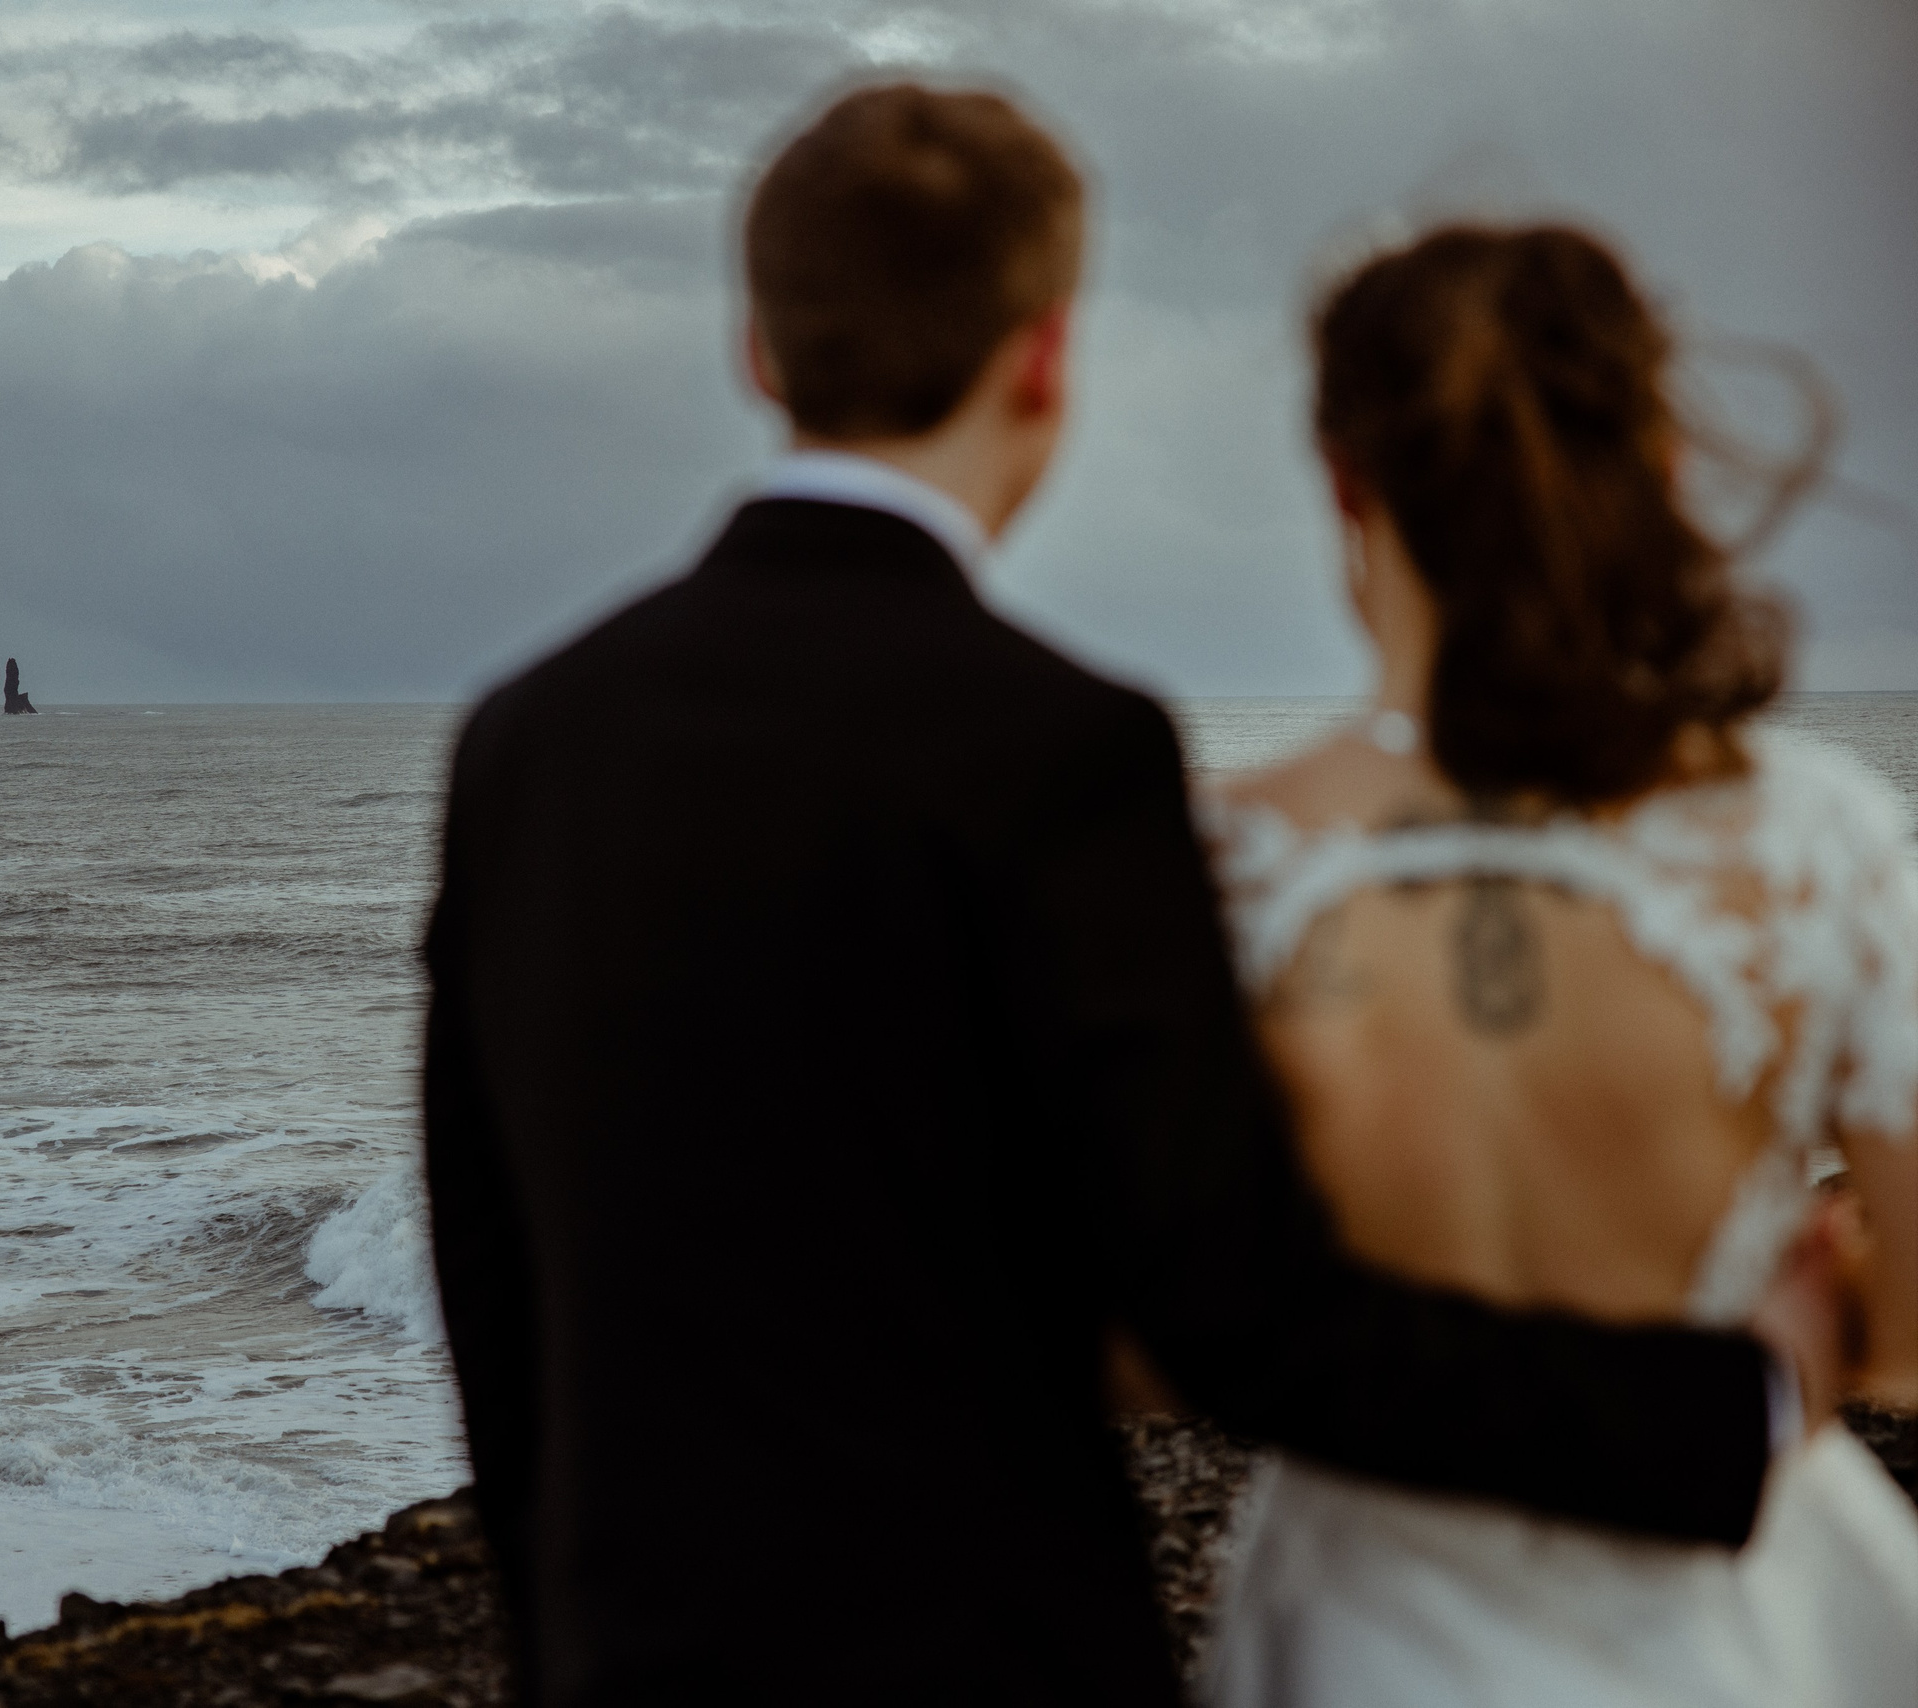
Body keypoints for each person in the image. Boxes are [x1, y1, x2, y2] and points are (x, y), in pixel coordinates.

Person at [421, 86, 1834, 1706]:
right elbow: (1244, 1319)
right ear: (1045, 356)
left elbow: (494, 1268)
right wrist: (1741, 1409)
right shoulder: (1061, 746)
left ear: (759, 348)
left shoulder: (529, 735)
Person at [1203, 223, 1918, 1707]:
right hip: (1738, 1612)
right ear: (1658, 470)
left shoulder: (1228, 861)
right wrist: (1801, 1348)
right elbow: (1911, 1320)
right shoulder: (1822, 843)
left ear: (1348, 485)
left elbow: (1169, 1324)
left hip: (1367, 1632)